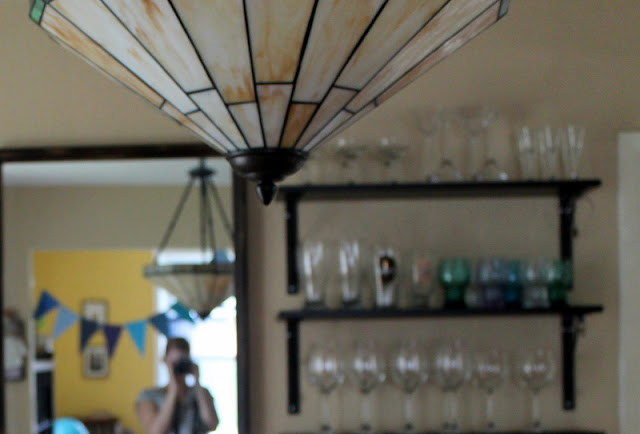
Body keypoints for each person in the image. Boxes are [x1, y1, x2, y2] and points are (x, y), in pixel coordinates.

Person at [136, 337, 219, 434]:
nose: (179, 366)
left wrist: (197, 382)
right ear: (165, 361)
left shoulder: (202, 393)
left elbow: (212, 424)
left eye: (183, 362)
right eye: (175, 363)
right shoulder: (149, 395)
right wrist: (173, 391)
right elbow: (156, 431)